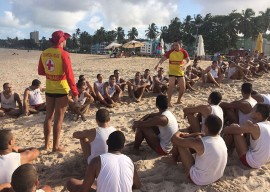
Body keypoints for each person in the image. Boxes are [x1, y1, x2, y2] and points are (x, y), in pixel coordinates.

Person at [38, 30, 79, 152]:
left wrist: (51, 74)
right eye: (65, 39)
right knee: (59, 119)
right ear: (62, 41)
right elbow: (70, 75)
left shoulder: (44, 53)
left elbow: (40, 72)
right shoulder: (64, 54)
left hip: (49, 88)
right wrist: (75, 92)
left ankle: (46, 145)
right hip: (61, 89)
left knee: (48, 117)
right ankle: (55, 147)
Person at [66, 131, 141, 192]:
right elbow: (137, 185)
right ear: (123, 146)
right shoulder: (129, 160)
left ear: (107, 142)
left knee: (71, 182)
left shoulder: (97, 161)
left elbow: (84, 190)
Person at [171, 115, 227, 186]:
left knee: (181, 144)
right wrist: (191, 135)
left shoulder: (200, 143)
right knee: (194, 141)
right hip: (217, 176)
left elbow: (174, 139)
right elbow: (202, 135)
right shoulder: (220, 139)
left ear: (206, 128)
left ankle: (173, 160)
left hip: (200, 180)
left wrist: (178, 133)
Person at [223, 104, 270, 168]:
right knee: (246, 125)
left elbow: (229, 130)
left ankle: (224, 152)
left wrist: (226, 128)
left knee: (234, 128)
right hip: (266, 160)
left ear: (258, 114)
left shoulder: (255, 127)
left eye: (253, 109)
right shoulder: (267, 125)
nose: (251, 110)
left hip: (252, 162)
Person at [155, 41, 191, 106]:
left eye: (176, 45)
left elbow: (189, 61)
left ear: (180, 45)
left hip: (180, 71)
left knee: (183, 87)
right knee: (171, 86)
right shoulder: (170, 52)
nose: (175, 47)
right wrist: (158, 65)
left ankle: (179, 100)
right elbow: (162, 59)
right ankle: (169, 102)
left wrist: (185, 66)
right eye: (174, 45)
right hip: (172, 72)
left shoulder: (184, 52)